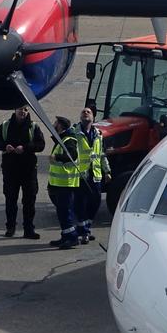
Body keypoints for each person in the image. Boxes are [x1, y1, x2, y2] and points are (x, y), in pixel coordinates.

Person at [0, 105, 44, 239]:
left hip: (28, 170)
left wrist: (25, 148)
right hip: (10, 169)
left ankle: (28, 229)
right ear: (14, 110)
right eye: (20, 109)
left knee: (29, 200)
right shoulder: (5, 125)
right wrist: (4, 146)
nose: (22, 112)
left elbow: (41, 145)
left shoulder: (33, 127)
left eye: (25, 110)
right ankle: (10, 227)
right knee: (10, 199)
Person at [46, 116, 85, 248]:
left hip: (65, 183)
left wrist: (56, 157)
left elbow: (73, 155)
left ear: (61, 126)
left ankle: (72, 237)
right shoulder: (61, 139)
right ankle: (65, 235)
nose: (53, 125)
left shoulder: (69, 140)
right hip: (57, 183)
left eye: (55, 123)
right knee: (62, 212)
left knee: (65, 211)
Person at [75, 105, 112, 243]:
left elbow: (102, 154)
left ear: (93, 117)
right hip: (80, 175)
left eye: (88, 112)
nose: (85, 113)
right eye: (83, 111)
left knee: (95, 202)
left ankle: (85, 227)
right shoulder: (75, 132)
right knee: (80, 204)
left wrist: (107, 171)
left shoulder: (98, 134)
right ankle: (84, 231)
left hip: (95, 174)